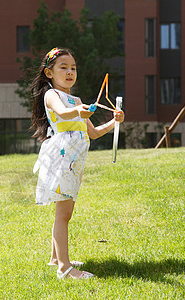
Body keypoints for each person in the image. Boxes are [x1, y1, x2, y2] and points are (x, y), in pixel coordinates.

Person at [31, 47, 125, 279]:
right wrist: (78, 111)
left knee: (65, 212)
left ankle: (56, 258)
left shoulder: (77, 100)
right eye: (63, 67)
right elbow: (63, 113)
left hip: (74, 163)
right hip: (62, 159)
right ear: (49, 73)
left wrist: (114, 122)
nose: (70, 71)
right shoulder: (52, 95)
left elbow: (92, 133)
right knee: (63, 214)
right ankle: (65, 268)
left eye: (73, 67)